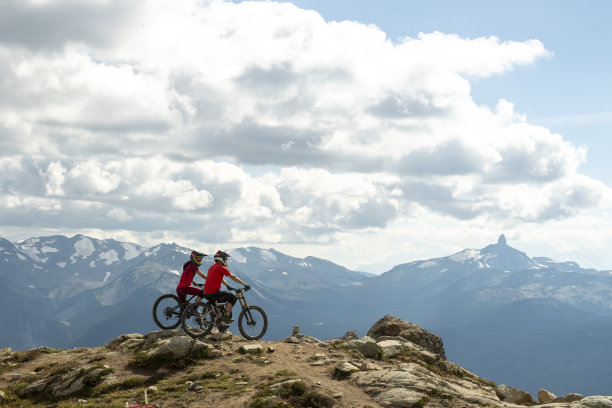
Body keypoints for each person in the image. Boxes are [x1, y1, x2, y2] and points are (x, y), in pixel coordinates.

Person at [204, 250, 250, 322]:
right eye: (226, 259)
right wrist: (245, 284)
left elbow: (218, 278)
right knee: (233, 297)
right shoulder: (221, 268)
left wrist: (227, 285)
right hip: (214, 292)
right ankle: (225, 315)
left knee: (219, 307)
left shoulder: (212, 267)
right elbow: (233, 277)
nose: (226, 261)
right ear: (223, 259)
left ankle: (220, 325)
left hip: (207, 292)